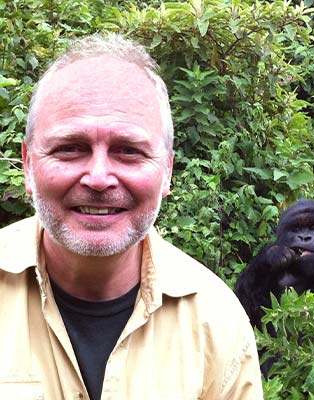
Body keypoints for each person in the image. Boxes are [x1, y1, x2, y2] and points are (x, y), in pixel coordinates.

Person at [0, 33, 263, 399]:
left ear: (167, 171)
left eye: (128, 151)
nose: (98, 178)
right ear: (28, 164)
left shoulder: (216, 321)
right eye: (70, 148)